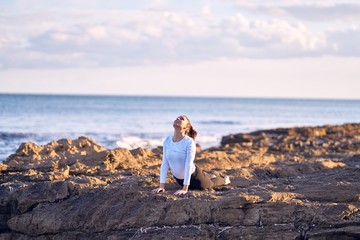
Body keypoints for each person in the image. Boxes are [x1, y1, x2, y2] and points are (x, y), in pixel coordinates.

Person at [152, 115, 230, 196]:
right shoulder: (167, 140)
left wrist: (185, 189)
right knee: (207, 181)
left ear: (186, 128)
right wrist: (161, 187)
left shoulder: (189, 142)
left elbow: (188, 165)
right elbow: (164, 163)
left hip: (195, 178)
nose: (178, 119)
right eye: (177, 118)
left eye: (182, 119)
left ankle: (225, 180)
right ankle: (210, 177)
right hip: (179, 180)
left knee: (210, 185)